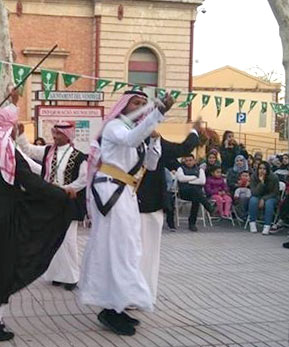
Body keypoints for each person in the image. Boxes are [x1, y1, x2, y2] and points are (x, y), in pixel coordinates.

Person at [0, 90, 73, 341]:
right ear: (9, 127)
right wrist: (62, 195)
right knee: (1, 266)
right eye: (15, 125)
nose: (18, 128)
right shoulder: (7, 153)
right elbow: (31, 182)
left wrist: (14, 102)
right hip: (3, 219)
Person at [79, 90, 173, 337]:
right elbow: (130, 140)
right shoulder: (114, 127)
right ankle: (110, 308)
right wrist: (157, 114)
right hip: (111, 193)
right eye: (136, 102)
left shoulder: (136, 132)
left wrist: (154, 139)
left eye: (144, 103)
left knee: (127, 250)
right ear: (123, 105)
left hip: (126, 194)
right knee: (115, 250)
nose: (140, 106)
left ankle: (118, 305)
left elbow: (151, 165)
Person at [16, 121, 87, 291]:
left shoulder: (79, 156)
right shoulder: (48, 151)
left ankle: (71, 277)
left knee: (68, 240)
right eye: (54, 134)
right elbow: (28, 150)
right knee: (51, 237)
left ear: (68, 135)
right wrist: (20, 134)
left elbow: (84, 178)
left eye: (59, 134)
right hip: (50, 201)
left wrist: (68, 189)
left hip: (67, 201)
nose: (55, 137)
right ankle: (56, 274)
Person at [137, 118, 200, 303]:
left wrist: (194, 132)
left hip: (151, 205)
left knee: (148, 253)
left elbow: (183, 148)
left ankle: (142, 294)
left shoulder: (157, 142)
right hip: (128, 202)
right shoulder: (124, 143)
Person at [176, 154, 216, 231]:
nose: (188, 162)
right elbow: (181, 179)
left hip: (195, 194)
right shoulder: (180, 169)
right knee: (197, 193)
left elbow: (202, 181)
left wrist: (188, 181)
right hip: (184, 193)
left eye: (190, 160)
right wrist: (194, 177)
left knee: (196, 196)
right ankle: (209, 208)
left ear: (194, 161)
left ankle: (192, 223)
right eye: (186, 160)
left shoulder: (200, 170)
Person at [248, 161, 279, 235]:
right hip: (258, 195)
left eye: (264, 169)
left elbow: (275, 193)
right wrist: (261, 183)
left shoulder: (274, 177)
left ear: (267, 169)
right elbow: (254, 193)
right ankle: (252, 223)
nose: (262, 170)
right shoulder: (254, 177)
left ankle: (267, 225)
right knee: (253, 200)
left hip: (271, 196)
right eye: (260, 168)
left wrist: (264, 199)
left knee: (269, 203)